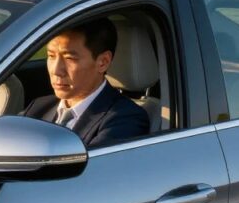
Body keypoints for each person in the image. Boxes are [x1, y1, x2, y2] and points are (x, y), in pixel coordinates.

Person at [21, 18, 149, 148]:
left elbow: (93, 167)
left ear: (103, 62)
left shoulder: (126, 118)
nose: (56, 70)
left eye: (69, 58)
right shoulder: (38, 107)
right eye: (51, 56)